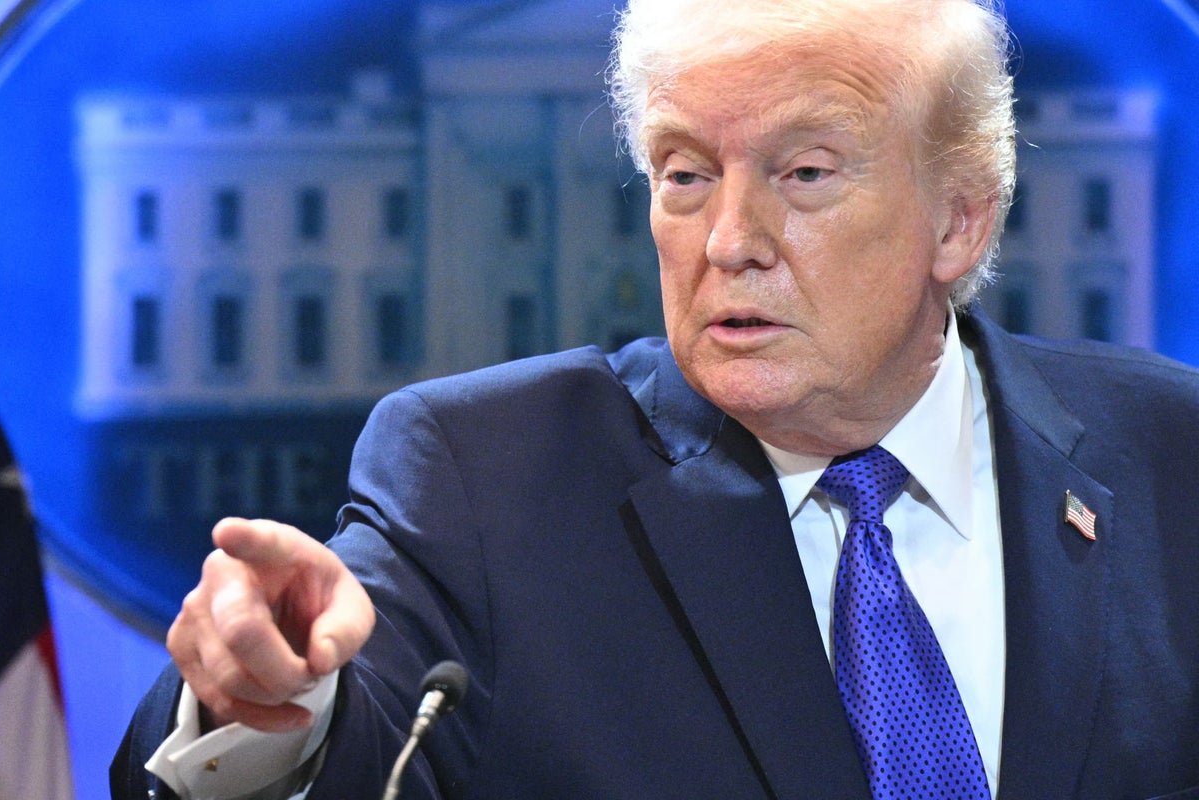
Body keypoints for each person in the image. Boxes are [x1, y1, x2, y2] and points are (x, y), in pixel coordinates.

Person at [113, 0, 1199, 797]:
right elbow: (358, 735)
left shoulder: (1171, 454)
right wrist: (272, 709)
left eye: (805, 173)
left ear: (959, 220)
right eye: (684, 173)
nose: (727, 242)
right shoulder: (485, 476)